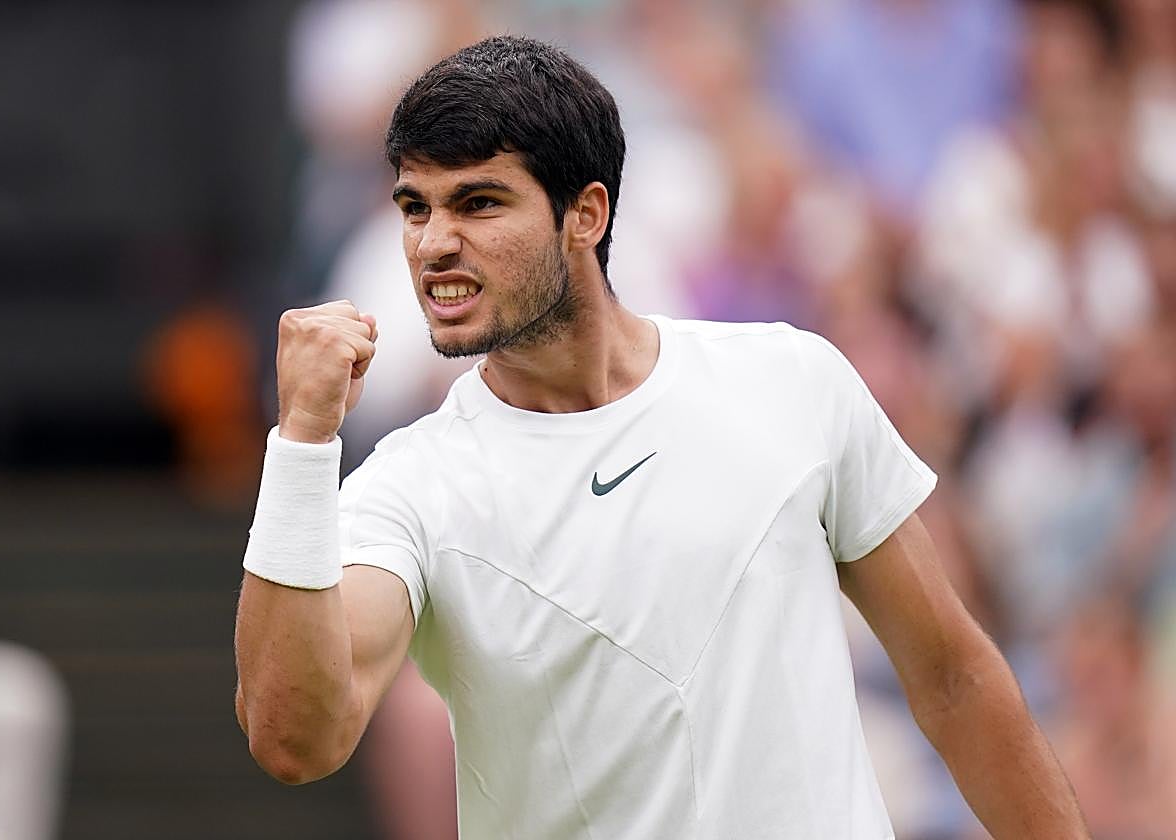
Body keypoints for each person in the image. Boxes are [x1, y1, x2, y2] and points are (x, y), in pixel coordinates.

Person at [234, 35, 1089, 838]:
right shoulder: (409, 487)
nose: (433, 245)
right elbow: (296, 739)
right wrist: (303, 445)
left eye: (479, 203)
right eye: (415, 208)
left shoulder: (793, 380)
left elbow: (954, 678)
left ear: (587, 214)